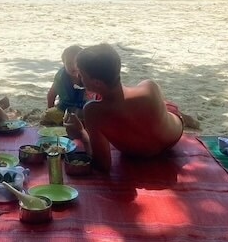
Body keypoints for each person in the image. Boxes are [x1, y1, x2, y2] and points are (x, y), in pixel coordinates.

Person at [65, 43, 197, 172]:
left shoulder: (93, 111)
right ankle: (180, 113)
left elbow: (102, 165)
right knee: (165, 107)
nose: (78, 77)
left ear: (97, 82)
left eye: (82, 75)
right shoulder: (149, 86)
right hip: (173, 137)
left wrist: (82, 134)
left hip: (140, 155)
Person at [45, 45, 87, 121]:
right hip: (65, 108)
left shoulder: (88, 75)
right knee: (48, 115)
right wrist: (50, 114)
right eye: (69, 63)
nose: (73, 66)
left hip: (85, 109)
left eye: (76, 63)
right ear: (64, 63)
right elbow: (51, 95)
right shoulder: (60, 77)